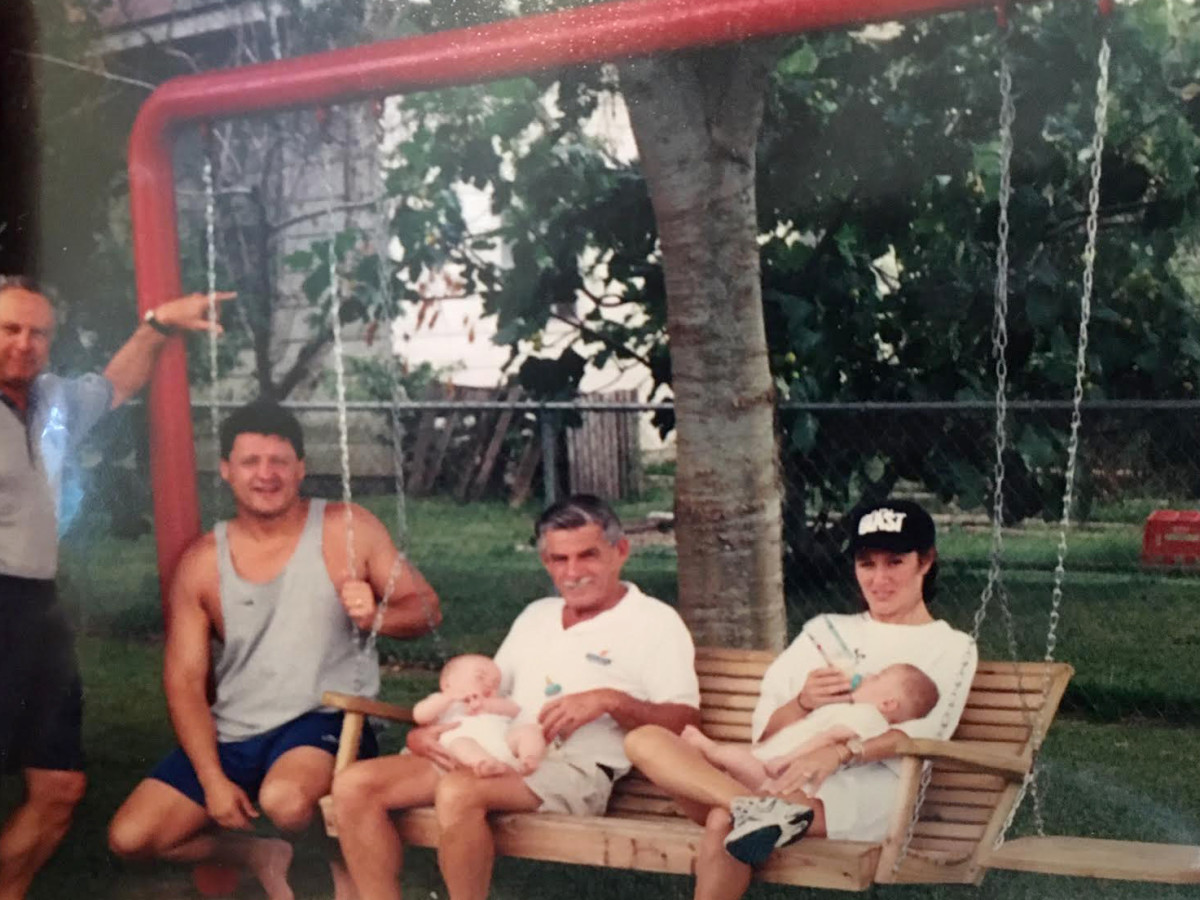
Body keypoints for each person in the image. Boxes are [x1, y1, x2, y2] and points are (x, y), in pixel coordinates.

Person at [106, 401, 441, 900]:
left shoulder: (347, 528)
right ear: (226, 471)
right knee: (131, 838)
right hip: (237, 731)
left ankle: (339, 868)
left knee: (284, 801)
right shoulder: (201, 561)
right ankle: (262, 855)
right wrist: (212, 780)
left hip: (323, 719)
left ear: (301, 467)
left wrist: (378, 617)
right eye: (250, 462)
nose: (266, 475)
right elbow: (183, 682)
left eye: (279, 461)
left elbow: (428, 610)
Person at [331, 493, 702, 900]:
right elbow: (484, 692)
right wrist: (425, 735)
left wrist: (610, 700)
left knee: (459, 790)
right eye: (559, 560)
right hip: (490, 749)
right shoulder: (536, 615)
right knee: (354, 786)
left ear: (621, 552)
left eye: (588, 556)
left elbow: (685, 722)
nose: (573, 572)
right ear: (546, 562)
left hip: (571, 767)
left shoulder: (654, 623)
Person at [0, 275, 233, 900]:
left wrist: (158, 325)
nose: (23, 344)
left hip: (35, 610)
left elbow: (117, 384)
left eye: (37, 332)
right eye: (8, 329)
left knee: (58, 787)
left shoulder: (51, 403)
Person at [625, 498, 978, 889]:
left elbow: (925, 738)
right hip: (773, 775)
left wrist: (841, 750)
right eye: (867, 564)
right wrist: (802, 702)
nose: (879, 579)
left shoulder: (951, 647)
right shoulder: (823, 631)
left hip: (862, 792)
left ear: (925, 561)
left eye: (894, 562)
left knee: (724, 820)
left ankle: (752, 810)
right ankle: (757, 809)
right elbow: (766, 737)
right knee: (644, 740)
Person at [681, 662, 939, 794]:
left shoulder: (869, 717)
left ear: (888, 703)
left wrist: (785, 759)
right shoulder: (854, 710)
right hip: (771, 761)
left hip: (779, 772)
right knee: (733, 765)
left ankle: (705, 747)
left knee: (729, 756)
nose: (869, 675)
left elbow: (830, 738)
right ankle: (702, 762)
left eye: (879, 676)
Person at [413, 654, 545, 777]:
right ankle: (484, 764)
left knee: (529, 731)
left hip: (503, 743)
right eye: (480, 677)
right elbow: (420, 715)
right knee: (460, 744)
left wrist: (487, 705)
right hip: (464, 745)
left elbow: (514, 709)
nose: (488, 684)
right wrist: (449, 697)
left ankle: (529, 757)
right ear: (447, 684)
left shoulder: (494, 703)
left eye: (495, 683)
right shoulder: (442, 701)